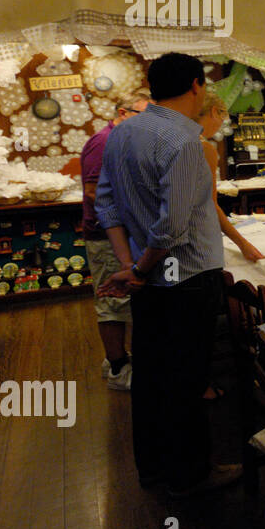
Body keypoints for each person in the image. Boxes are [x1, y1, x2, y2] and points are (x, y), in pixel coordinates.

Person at [95, 52, 241, 498]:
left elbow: (107, 204)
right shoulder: (183, 140)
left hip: (150, 282)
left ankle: (153, 470)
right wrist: (137, 269)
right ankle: (190, 477)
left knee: (153, 377)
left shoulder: (122, 134)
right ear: (197, 85)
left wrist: (129, 267)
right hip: (186, 280)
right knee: (187, 380)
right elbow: (173, 226)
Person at [197, 92, 263, 402]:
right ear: (212, 111)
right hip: (198, 248)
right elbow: (210, 206)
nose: (220, 125)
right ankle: (202, 386)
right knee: (201, 321)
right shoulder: (202, 149)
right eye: (221, 118)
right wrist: (243, 243)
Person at [80, 93, 148, 391]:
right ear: (122, 112)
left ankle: (118, 358)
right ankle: (118, 368)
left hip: (122, 233)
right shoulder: (104, 140)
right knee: (112, 301)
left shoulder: (124, 140)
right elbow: (94, 191)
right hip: (107, 234)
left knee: (122, 300)